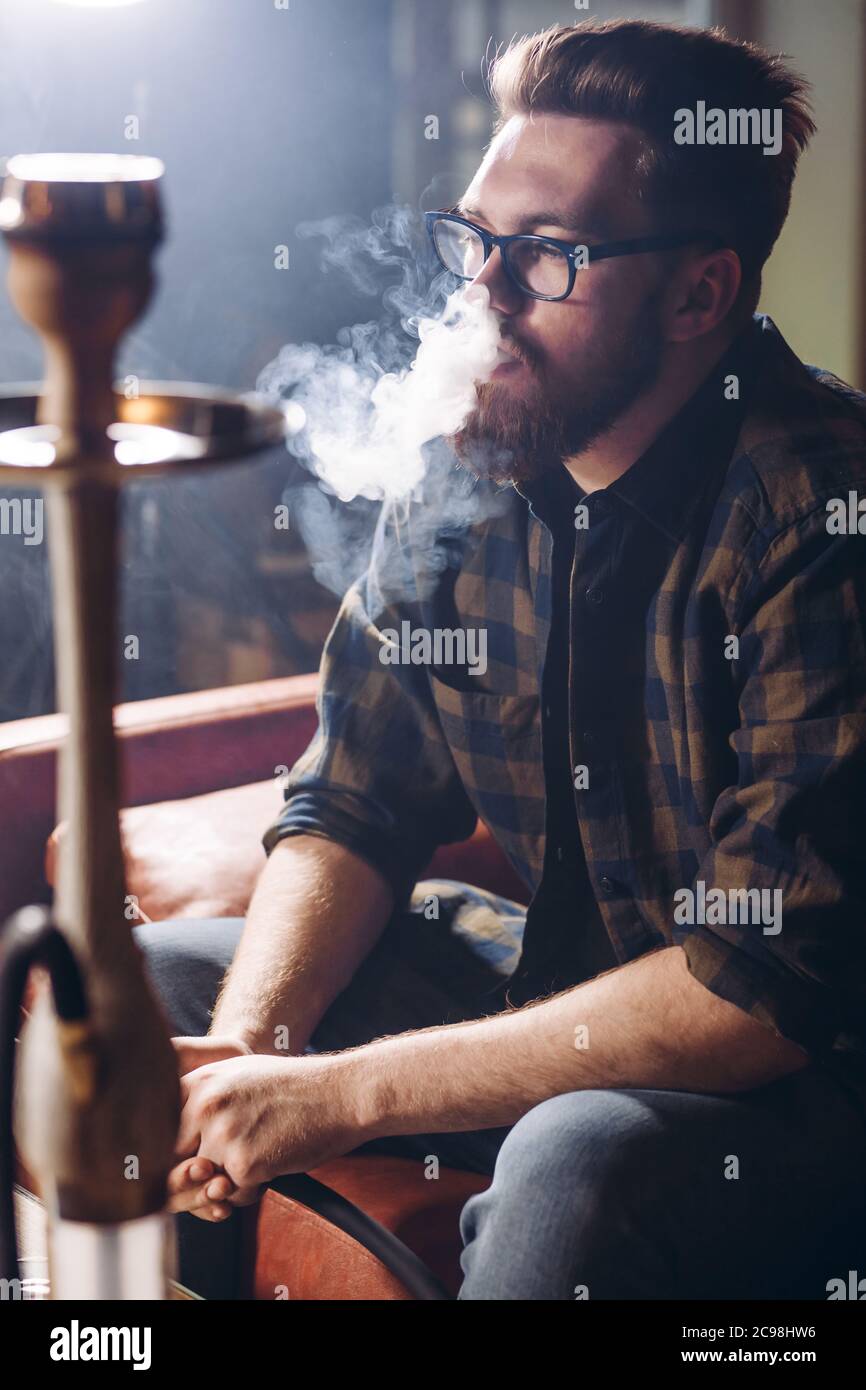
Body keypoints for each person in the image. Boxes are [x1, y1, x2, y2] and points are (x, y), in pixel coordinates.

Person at [139, 18, 866, 1299]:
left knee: (574, 1156)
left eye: (544, 257)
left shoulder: (819, 517)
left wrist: (340, 1091)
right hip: (559, 983)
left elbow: (757, 990)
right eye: (475, 240)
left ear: (699, 293)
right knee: (137, 992)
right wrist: (253, 1049)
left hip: (810, 1077)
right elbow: (353, 800)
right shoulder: (466, 464)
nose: (479, 296)